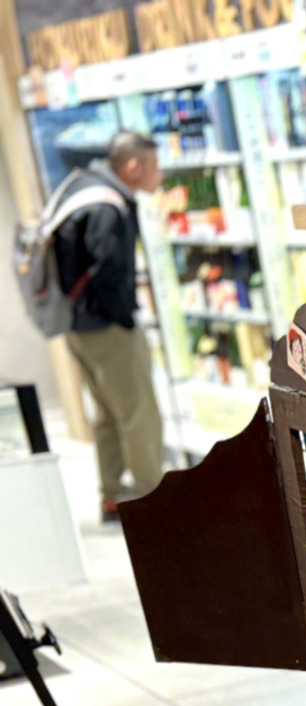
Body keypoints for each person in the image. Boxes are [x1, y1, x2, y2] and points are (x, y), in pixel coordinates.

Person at [55, 130, 165, 523]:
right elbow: (108, 272)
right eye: (154, 166)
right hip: (108, 329)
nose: (161, 175)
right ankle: (151, 500)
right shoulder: (108, 204)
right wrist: (124, 320)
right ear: (133, 167)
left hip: (78, 326)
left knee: (107, 414)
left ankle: (113, 495)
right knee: (139, 414)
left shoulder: (82, 190)